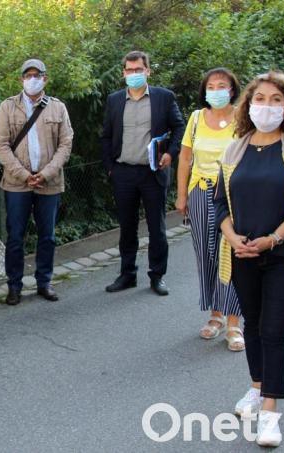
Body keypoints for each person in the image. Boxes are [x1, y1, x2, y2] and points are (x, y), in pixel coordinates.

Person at [213, 71, 284, 447]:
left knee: (274, 332)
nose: (267, 106)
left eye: (276, 100)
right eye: (260, 98)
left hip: (283, 257)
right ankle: (257, 387)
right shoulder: (233, 149)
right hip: (240, 253)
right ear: (249, 104)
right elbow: (219, 201)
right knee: (253, 326)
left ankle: (271, 411)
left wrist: (270, 240)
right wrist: (232, 236)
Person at [101, 50, 185, 296]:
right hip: (123, 173)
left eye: (139, 70)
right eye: (129, 70)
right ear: (123, 73)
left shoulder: (164, 97)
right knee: (127, 227)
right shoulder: (114, 100)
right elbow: (106, 135)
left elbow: (179, 127)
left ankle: (157, 276)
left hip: (153, 173)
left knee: (156, 227)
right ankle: (127, 275)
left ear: (148, 71)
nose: (134, 74)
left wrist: (170, 153)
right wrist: (110, 168)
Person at [0, 58, 73, 306]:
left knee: (47, 236)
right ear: (21, 80)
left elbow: (66, 144)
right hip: (17, 184)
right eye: (27, 75)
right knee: (15, 236)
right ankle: (14, 286)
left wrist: (46, 173)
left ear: (45, 78)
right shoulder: (7, 107)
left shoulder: (57, 108)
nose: (32, 79)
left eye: (36, 75)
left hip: (49, 182)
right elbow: (1, 144)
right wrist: (24, 175)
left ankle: (44, 282)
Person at [175, 68, 244, 351]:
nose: (216, 90)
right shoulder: (195, 119)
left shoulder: (244, 117)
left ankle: (233, 323)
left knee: (233, 256)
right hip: (200, 192)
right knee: (206, 255)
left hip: (234, 196)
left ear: (232, 89)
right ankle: (214, 314)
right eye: (211, 86)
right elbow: (185, 159)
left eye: (222, 85)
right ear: (205, 91)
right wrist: (182, 196)